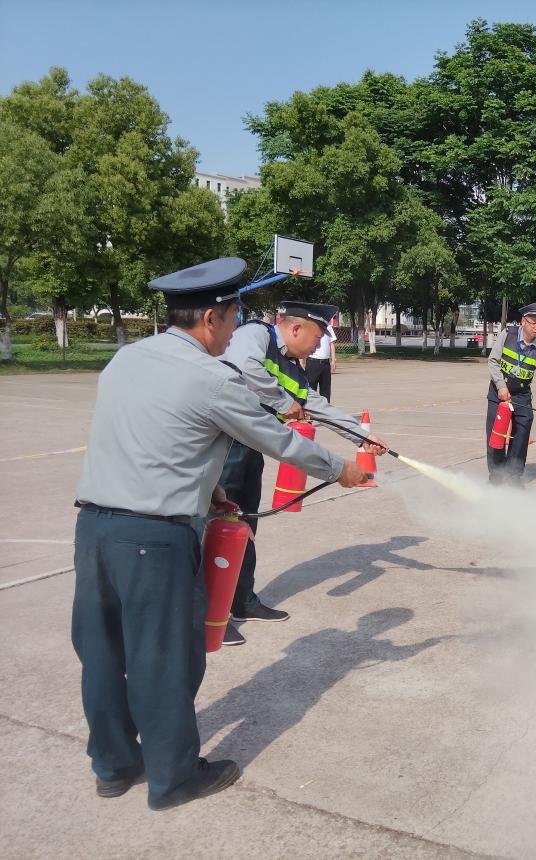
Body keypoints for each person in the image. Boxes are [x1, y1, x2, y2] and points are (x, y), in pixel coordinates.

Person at [71, 258, 368, 811]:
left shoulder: (126, 358)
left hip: (93, 530)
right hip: (154, 539)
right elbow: (277, 439)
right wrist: (340, 468)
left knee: (103, 653)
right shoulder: (213, 378)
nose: (235, 334)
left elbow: (152, 435)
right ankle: (174, 777)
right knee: (165, 659)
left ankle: (113, 766)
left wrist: (208, 490)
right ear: (211, 317)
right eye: (233, 320)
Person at [219, 300, 386, 646]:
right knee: (217, 528)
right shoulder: (257, 334)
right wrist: (283, 402)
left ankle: (242, 600)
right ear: (295, 328)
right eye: (318, 335)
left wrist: (362, 436)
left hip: (250, 448)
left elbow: (316, 405)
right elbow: (243, 365)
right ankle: (211, 614)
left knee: (244, 525)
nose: (319, 344)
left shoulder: (294, 369)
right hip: (222, 447)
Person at [486, 302, 536, 485]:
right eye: (533, 322)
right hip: (499, 392)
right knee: (496, 436)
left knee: (522, 433)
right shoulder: (508, 334)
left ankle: (513, 477)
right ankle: (496, 477)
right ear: (523, 321)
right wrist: (501, 386)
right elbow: (492, 361)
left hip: (521, 394)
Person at [305, 317, 336, 401]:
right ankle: (310, 407)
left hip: (325, 363)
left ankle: (325, 407)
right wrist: (301, 361)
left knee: (325, 390)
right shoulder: (311, 326)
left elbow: (332, 344)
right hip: (313, 362)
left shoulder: (328, 327)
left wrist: (333, 360)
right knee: (311, 389)